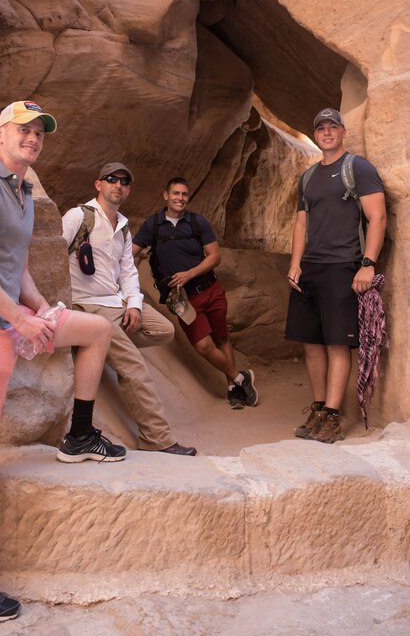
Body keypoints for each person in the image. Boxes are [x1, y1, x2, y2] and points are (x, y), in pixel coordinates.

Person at [0, 101, 125, 623]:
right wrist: (20, 322)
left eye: (40, 131)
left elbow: (13, 265)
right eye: (23, 128)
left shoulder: (22, 192)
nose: (33, 137)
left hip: (14, 317)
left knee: (96, 330)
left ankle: (79, 435)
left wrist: (40, 309)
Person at [62, 163, 197, 456]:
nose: (118, 185)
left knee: (164, 330)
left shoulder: (123, 226)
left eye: (124, 182)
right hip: (88, 305)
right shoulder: (78, 217)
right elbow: (52, 257)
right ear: (98, 184)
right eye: (111, 179)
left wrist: (134, 305)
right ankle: (156, 437)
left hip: (116, 302)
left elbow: (128, 272)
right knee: (134, 367)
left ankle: (101, 346)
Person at [285, 107, 387, 443]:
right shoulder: (308, 176)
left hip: (343, 265)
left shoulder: (358, 168)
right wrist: (295, 263)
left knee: (337, 343)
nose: (327, 132)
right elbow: (302, 223)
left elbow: (378, 217)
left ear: (343, 132)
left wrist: (368, 263)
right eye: (321, 128)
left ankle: (332, 417)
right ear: (315, 134)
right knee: (311, 343)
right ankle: (318, 409)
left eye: (333, 127)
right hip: (311, 268)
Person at [132, 177, 258, 409]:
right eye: (176, 194)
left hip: (210, 290)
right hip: (183, 301)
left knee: (221, 338)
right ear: (166, 196)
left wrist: (189, 273)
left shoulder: (197, 222)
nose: (180, 198)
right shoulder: (154, 225)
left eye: (184, 194)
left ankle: (233, 389)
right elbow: (130, 252)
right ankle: (240, 377)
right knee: (203, 346)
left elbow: (214, 256)